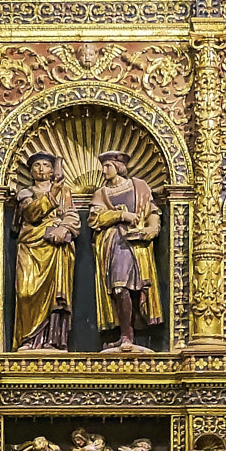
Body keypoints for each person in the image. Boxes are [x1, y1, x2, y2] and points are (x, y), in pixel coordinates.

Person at [88, 150, 159, 352]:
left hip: (137, 244)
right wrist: (121, 215)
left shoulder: (139, 186)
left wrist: (152, 228)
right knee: (119, 288)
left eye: (108, 166)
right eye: (103, 166)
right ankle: (125, 335)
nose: (104, 170)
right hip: (114, 244)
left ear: (118, 167)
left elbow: (152, 210)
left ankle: (129, 335)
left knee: (133, 288)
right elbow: (94, 219)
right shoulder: (101, 194)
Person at [11, 152, 80, 349]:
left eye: (46, 165)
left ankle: (53, 340)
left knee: (57, 297)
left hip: (56, 248)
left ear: (52, 169)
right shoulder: (26, 192)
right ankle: (27, 339)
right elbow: (31, 213)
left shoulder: (65, 192)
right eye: (37, 166)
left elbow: (73, 216)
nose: (41, 169)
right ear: (31, 171)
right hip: (31, 246)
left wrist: (64, 228)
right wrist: (51, 195)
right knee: (25, 292)